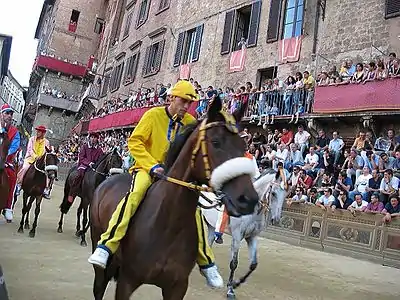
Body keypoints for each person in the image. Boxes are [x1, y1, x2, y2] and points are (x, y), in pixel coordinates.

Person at [88, 80, 223, 288]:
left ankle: (207, 263)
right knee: (135, 194)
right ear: (171, 98)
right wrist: (152, 166)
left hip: (175, 176)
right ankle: (106, 245)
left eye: (190, 103)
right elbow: (135, 142)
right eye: (183, 101)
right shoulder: (152, 115)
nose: (187, 106)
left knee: (193, 208)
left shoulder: (189, 121)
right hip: (147, 169)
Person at [214, 131, 260, 244]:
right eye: (242, 139)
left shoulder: (251, 157)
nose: (244, 141)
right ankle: (218, 232)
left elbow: (256, 173)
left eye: (245, 139)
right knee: (226, 206)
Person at [16, 125, 51, 199]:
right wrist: (35, 156)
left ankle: (46, 189)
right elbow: (29, 149)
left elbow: (47, 152)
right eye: (37, 131)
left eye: (39, 131)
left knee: (47, 172)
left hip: (41, 161)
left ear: (43, 133)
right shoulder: (32, 139)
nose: (37, 132)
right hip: (30, 159)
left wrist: (41, 158)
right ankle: (19, 184)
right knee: (25, 168)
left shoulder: (47, 142)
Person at [68, 132, 104, 203]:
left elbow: (101, 159)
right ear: (90, 138)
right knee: (79, 174)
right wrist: (89, 163)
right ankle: (73, 192)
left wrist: (95, 164)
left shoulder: (99, 150)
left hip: (94, 167)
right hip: (84, 165)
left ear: (97, 139)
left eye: (95, 138)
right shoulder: (84, 147)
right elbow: (81, 157)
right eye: (92, 137)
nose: (93, 139)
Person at [0, 104, 21, 223]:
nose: (9, 116)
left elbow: (14, 146)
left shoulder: (15, 132)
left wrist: (4, 156)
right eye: (6, 113)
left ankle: (8, 207)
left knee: (12, 178)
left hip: (5, 160)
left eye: (11, 114)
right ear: (1, 114)